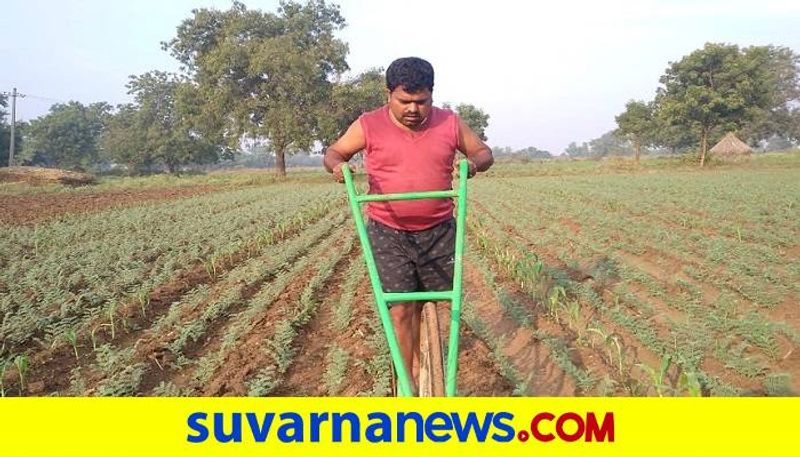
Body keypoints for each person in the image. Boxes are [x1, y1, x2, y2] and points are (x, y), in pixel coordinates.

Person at [323, 57, 493, 393]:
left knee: (435, 302)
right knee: (401, 309)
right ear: (388, 94)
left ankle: (430, 360)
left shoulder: (449, 122)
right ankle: (409, 383)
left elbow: (484, 152)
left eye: (421, 101)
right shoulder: (369, 124)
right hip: (389, 231)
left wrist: (472, 164)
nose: (413, 109)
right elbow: (335, 152)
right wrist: (338, 167)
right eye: (405, 101)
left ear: (432, 94)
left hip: (439, 230)